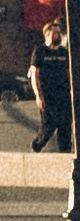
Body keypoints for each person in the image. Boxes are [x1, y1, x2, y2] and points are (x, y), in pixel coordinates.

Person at [32, 19, 72, 155]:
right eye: (56, 33)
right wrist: (38, 95)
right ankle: (37, 144)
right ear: (48, 35)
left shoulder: (63, 52)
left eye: (60, 33)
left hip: (64, 94)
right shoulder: (40, 51)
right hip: (47, 95)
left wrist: (72, 90)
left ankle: (65, 152)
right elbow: (34, 75)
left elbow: (68, 72)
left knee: (65, 124)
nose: (59, 36)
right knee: (49, 125)